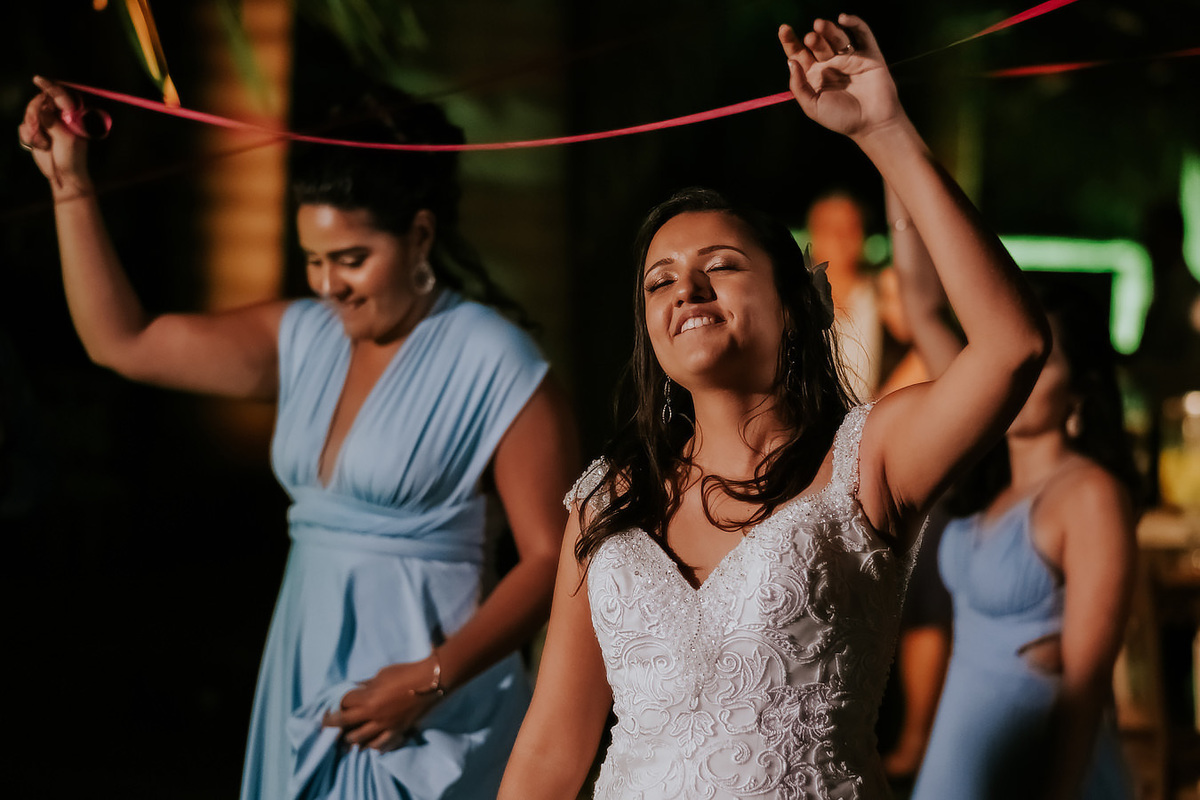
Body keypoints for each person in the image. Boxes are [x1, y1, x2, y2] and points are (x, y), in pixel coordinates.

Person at [499, 14, 1050, 799]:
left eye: (719, 266)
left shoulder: (869, 457)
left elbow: (1012, 347)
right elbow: (551, 751)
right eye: (659, 281)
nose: (685, 288)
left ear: (796, 305)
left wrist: (886, 132)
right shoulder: (605, 499)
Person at [18, 79, 578, 800]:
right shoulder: (304, 335)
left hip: (424, 696)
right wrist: (70, 182)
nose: (328, 284)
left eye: (350, 258)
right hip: (302, 668)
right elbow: (122, 342)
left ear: (420, 237)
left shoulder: (495, 357)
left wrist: (428, 680)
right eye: (313, 259)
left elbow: (553, 557)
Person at [889, 189, 1138, 798]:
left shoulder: (1089, 494)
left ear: (1078, 392)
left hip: (1038, 761)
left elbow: (1085, 690)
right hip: (959, 746)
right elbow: (922, 306)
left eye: (1042, 363)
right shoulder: (990, 469)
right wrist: (891, 164)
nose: (1021, 378)